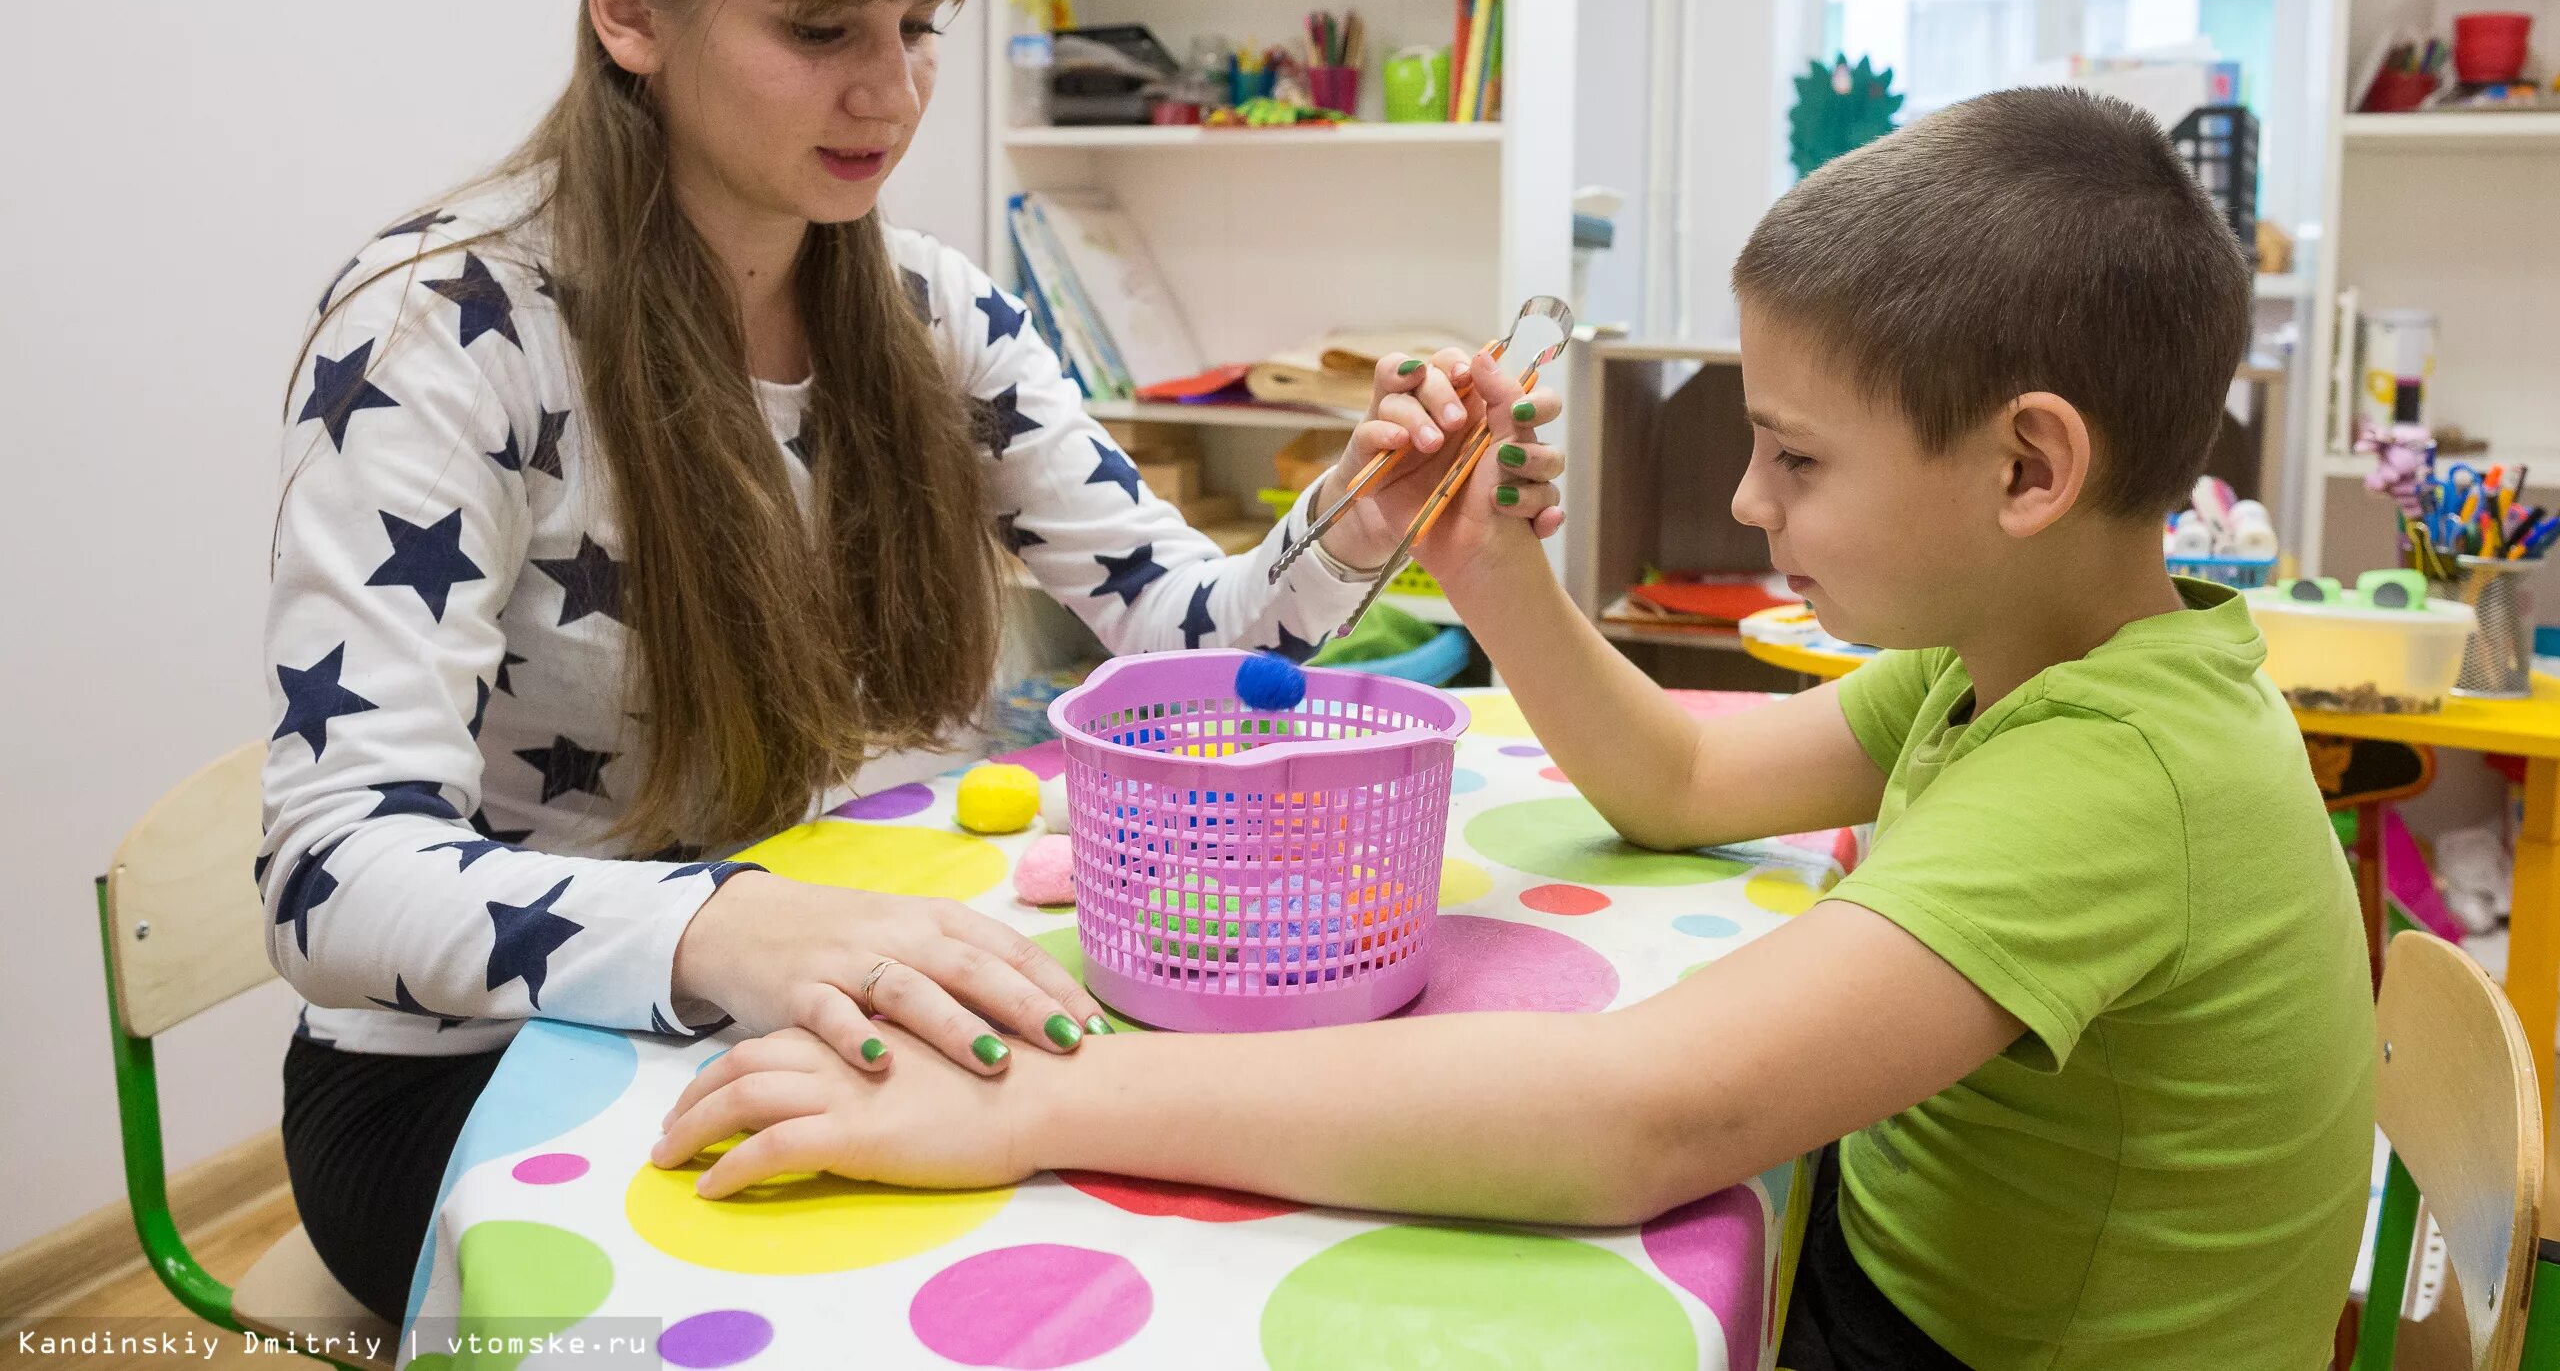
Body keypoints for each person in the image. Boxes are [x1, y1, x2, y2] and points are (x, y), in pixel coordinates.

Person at [656, 87, 2375, 1370]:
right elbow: (1685, 782)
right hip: (1894, 1277)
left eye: (1796, 455)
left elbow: (1632, 1119)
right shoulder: (2018, 655)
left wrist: (1044, 1104)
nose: (1743, 493)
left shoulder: (2114, 775)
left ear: (2026, 469)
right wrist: (1494, 575)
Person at [258, 0, 1566, 1323]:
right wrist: (744, 927)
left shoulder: (930, 308)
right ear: (628, 14)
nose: (889, 91)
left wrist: (1359, 521)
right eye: (819, 30)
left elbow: (1199, 644)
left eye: (917, 26)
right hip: (464, 1070)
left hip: (777, 973)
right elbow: (334, 878)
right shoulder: (438, 334)